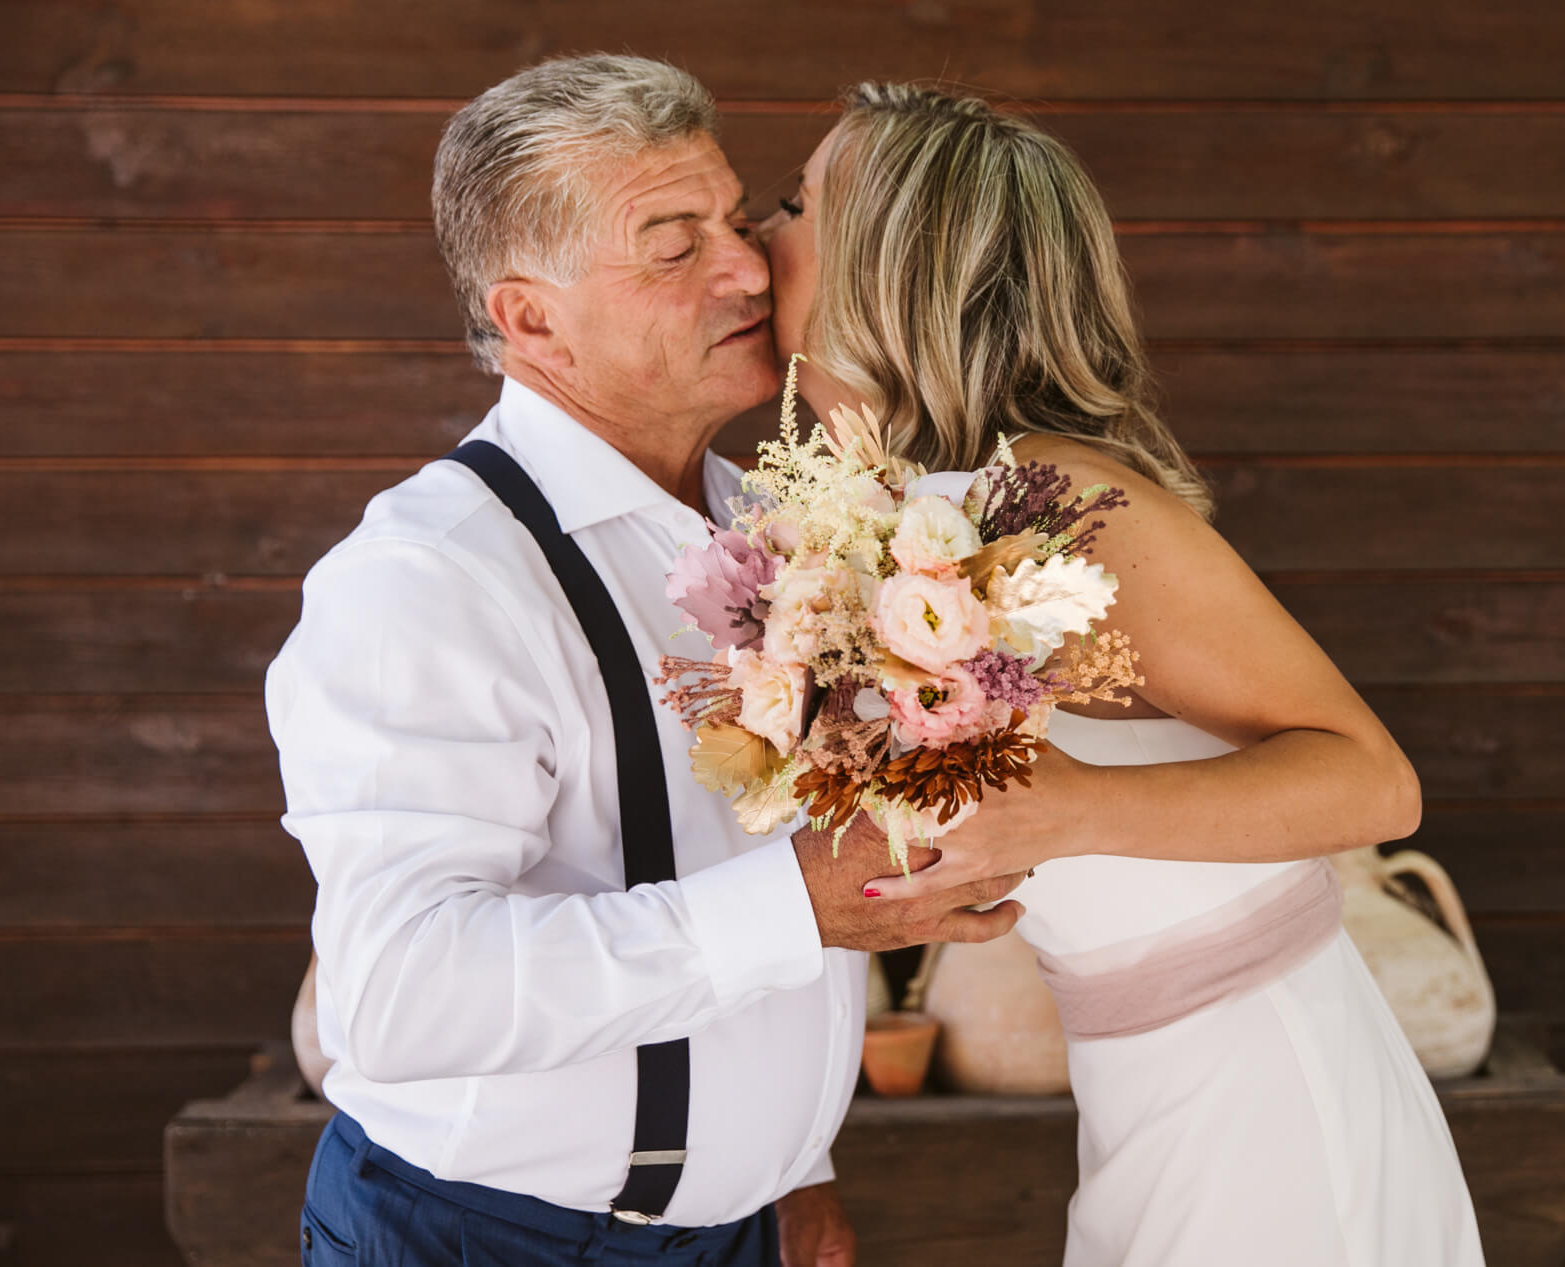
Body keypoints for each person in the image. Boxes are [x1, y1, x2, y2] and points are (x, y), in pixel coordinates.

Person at [265, 56, 1027, 1267]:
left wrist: (790, 1166)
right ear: (529, 319)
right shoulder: (427, 577)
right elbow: (406, 992)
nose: (744, 268)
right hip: (485, 1240)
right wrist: (800, 905)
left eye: (734, 220)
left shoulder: (777, 523)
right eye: (672, 247)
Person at [756, 82, 1489, 1267]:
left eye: (791, 203)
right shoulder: (893, 519)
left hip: (1269, 1110)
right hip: (1145, 1094)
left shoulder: (1065, 506)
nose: (752, 233)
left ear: (888, 265)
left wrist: (1078, 807)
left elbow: (1374, 783)